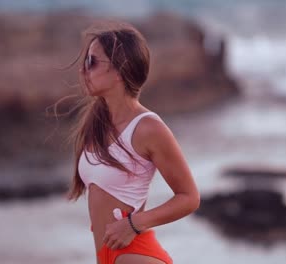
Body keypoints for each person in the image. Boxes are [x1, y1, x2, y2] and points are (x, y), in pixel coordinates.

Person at [66, 20, 200, 264]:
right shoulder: (96, 122)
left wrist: (135, 223)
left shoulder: (149, 128)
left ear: (119, 71)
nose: (82, 71)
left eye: (92, 62)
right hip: (106, 257)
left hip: (136, 254)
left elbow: (189, 196)